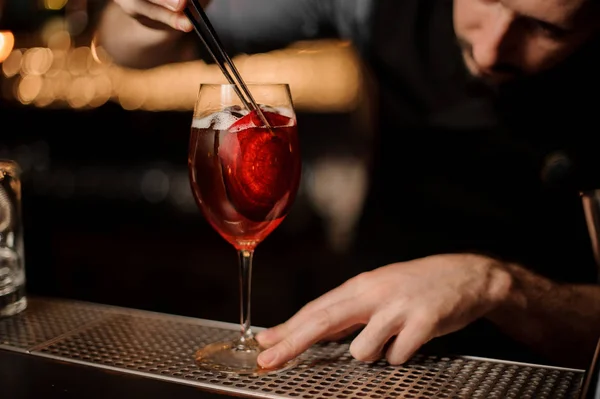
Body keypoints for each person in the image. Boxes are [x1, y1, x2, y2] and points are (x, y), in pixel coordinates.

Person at [96, 0, 600, 370]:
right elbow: (126, 47)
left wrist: (497, 285)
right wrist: (145, 9)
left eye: (544, 28)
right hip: (362, 338)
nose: (492, 49)